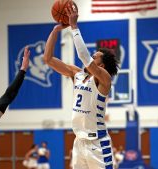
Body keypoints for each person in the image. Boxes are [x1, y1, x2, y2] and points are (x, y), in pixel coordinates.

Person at [43, 2, 119, 168]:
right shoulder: (77, 74)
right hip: (79, 142)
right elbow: (48, 59)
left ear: (102, 66)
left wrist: (74, 27)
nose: (92, 56)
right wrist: (55, 31)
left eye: (95, 57)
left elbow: (84, 57)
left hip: (98, 143)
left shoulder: (103, 79)